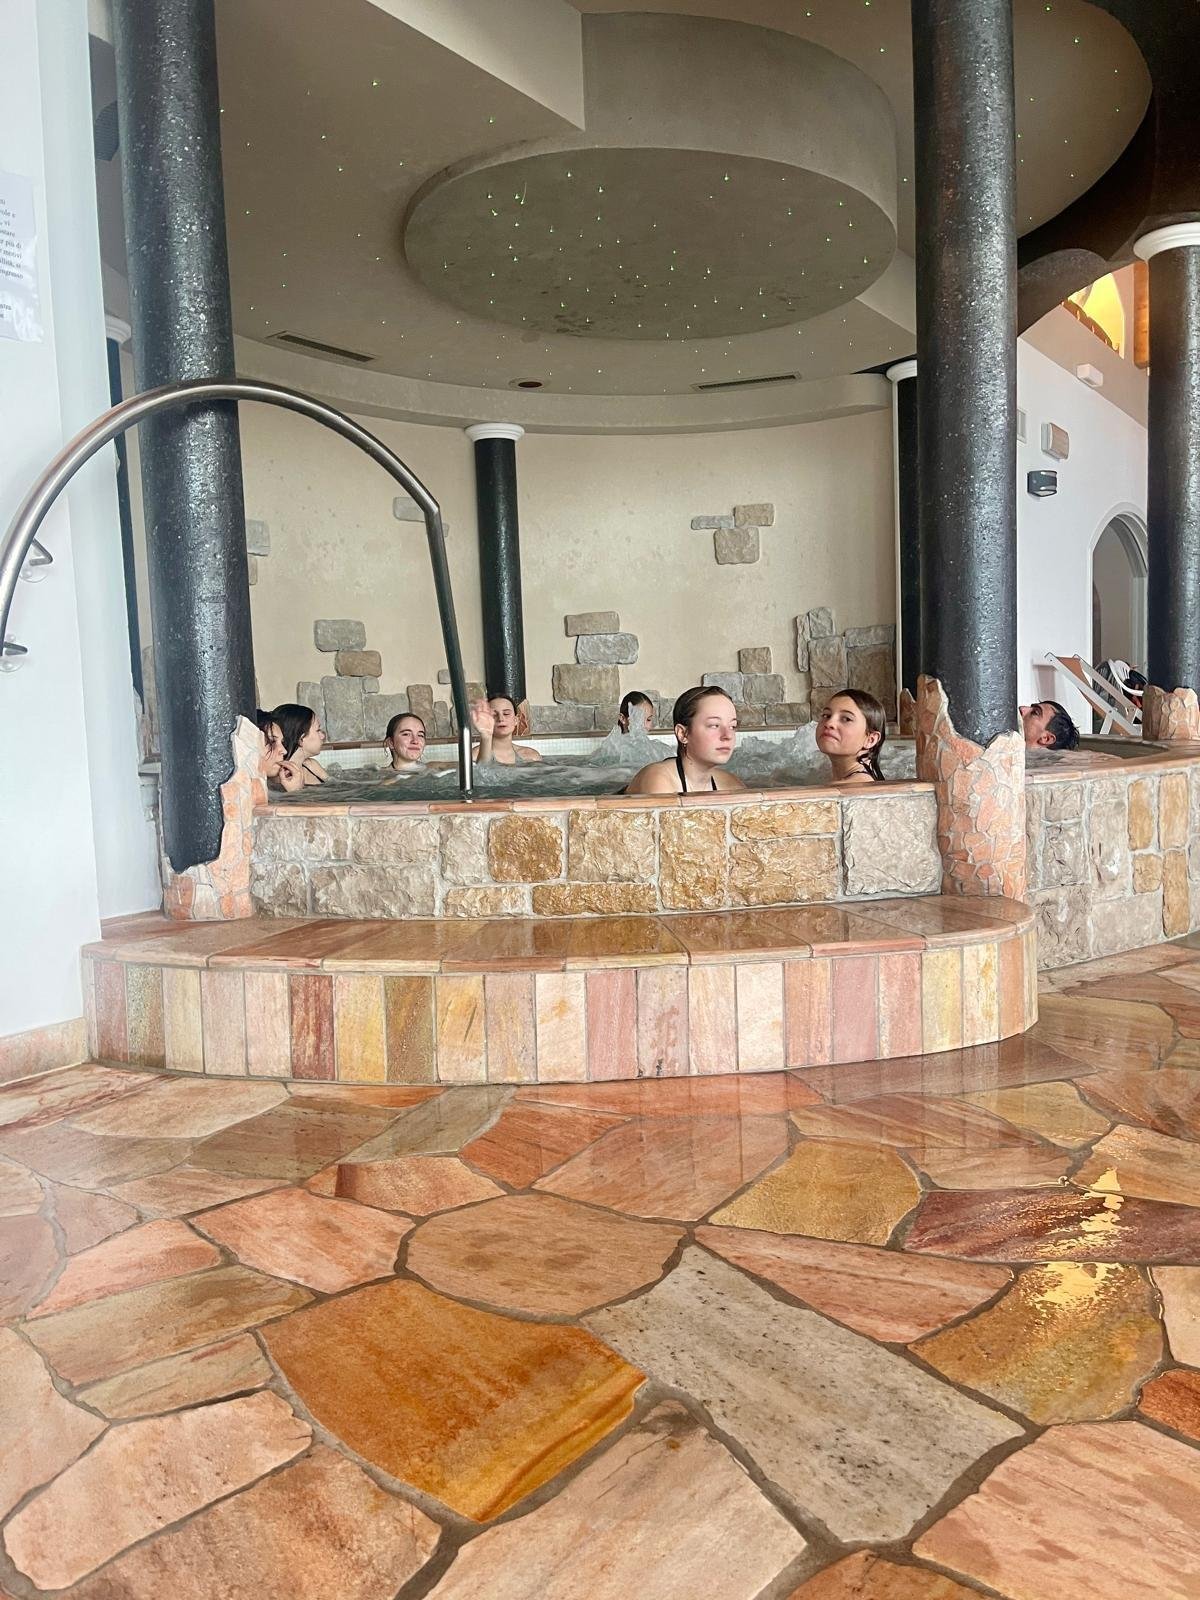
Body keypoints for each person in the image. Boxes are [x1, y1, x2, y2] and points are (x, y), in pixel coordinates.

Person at [624, 685, 745, 794]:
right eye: (714, 725)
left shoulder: (732, 785)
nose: (728, 735)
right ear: (683, 734)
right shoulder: (657, 780)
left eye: (732, 726)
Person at [815, 689, 887, 785]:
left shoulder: (852, 787)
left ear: (870, 740)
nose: (829, 723)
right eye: (826, 715)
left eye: (846, 719)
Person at [472, 693, 542, 764]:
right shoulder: (474, 756)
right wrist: (486, 736)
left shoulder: (531, 756)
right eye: (494, 715)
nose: (501, 719)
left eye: (506, 714)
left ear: (516, 720)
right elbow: (483, 768)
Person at [270, 702, 330, 785]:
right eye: (318, 730)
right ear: (301, 739)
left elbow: (337, 786)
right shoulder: (282, 778)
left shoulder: (311, 765)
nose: (322, 736)